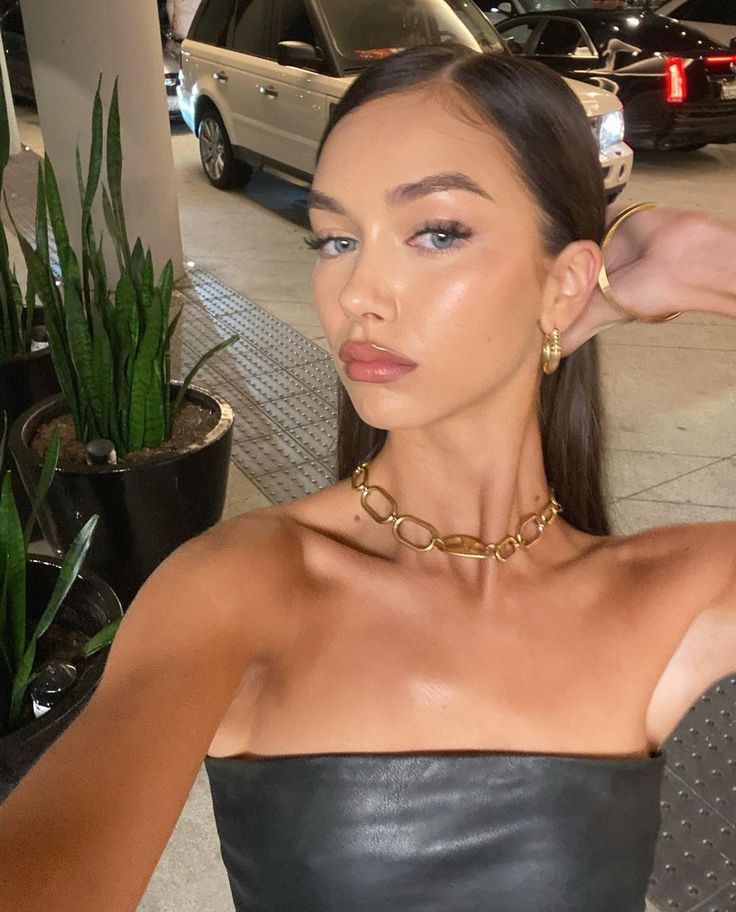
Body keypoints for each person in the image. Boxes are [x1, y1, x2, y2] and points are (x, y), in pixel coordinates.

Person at [1, 43, 735, 912]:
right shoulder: (243, 587)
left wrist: (702, 262)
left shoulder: (674, 592)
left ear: (567, 278)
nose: (358, 292)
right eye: (337, 239)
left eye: (436, 232)